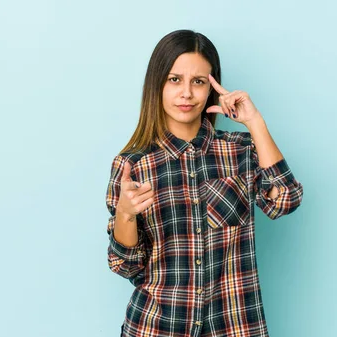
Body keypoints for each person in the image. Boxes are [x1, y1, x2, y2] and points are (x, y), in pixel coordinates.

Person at [105, 29, 304, 337]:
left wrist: (255, 123)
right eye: (175, 80)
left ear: (211, 87)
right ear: (156, 85)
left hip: (234, 325)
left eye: (198, 81)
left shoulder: (241, 150)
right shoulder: (133, 165)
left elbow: (285, 200)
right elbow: (126, 266)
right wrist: (125, 214)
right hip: (158, 326)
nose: (187, 93)